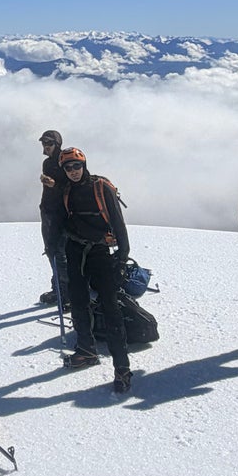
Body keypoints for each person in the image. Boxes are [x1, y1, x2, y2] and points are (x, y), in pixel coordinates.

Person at [56, 147, 133, 396]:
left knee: (111, 308)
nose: (74, 172)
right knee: (78, 302)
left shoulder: (101, 187)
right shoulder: (66, 190)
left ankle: (122, 368)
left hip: (100, 252)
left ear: (84, 164)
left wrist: (122, 257)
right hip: (75, 250)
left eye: (77, 166)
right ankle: (86, 350)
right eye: (68, 168)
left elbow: (118, 223)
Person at [37, 128, 69, 313]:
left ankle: (65, 293)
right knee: (52, 251)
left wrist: (54, 185)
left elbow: (74, 186)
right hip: (48, 211)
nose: (45, 146)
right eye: (44, 143)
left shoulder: (67, 161)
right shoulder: (48, 164)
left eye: (49, 143)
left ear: (57, 144)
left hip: (61, 213)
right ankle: (60, 289)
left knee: (59, 253)